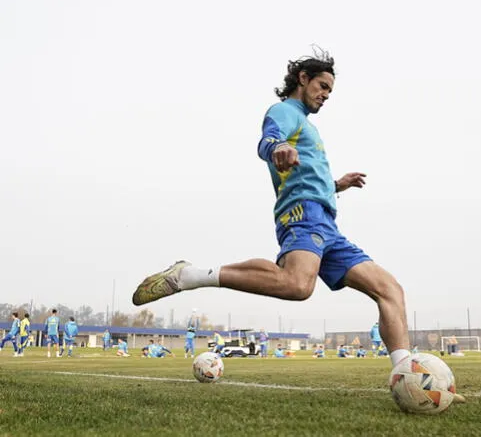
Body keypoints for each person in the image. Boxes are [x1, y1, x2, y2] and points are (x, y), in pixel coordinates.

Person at [132, 48, 412, 371]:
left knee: (390, 290)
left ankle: (405, 373)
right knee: (297, 285)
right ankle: (191, 276)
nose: (326, 96)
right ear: (302, 79)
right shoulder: (285, 111)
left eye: (330, 91)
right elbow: (268, 140)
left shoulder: (308, 127)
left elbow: (308, 175)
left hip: (328, 225)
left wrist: (337, 185)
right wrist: (278, 147)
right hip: (301, 213)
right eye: (322, 86)